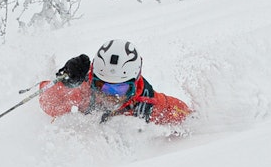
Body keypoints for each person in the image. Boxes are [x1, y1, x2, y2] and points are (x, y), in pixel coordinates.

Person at [39, 39, 192, 126]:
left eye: (120, 88)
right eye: (102, 86)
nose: (109, 95)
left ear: (134, 83)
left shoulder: (147, 103)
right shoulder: (84, 91)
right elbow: (48, 103)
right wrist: (65, 83)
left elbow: (187, 117)